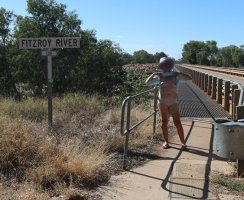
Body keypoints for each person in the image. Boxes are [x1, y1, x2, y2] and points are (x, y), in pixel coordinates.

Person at [145, 57, 192, 149]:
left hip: (173, 101)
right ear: (162, 66)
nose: (166, 66)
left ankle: (183, 143)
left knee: (177, 122)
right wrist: (154, 74)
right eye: (164, 65)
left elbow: (189, 78)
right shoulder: (159, 76)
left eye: (168, 64)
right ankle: (166, 142)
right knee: (164, 122)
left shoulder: (175, 75)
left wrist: (180, 73)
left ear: (170, 66)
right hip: (162, 102)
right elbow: (147, 82)